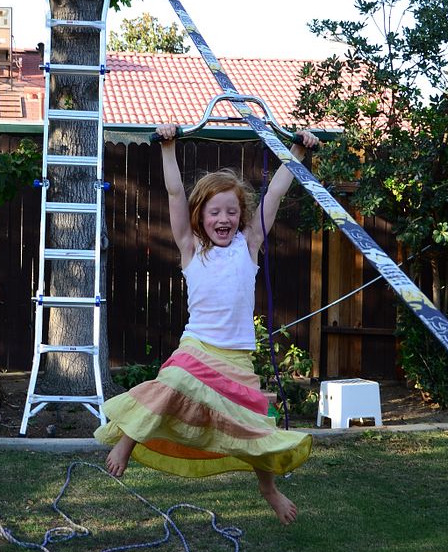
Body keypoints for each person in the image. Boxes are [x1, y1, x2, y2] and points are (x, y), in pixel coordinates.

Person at [94, 123, 319, 524]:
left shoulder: (249, 245)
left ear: (241, 216)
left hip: (236, 357)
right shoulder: (191, 248)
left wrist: (297, 154)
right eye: (215, 212)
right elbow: (175, 194)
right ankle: (127, 442)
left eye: (232, 211)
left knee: (254, 425)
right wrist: (168, 148)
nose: (224, 218)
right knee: (171, 383)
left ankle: (268, 488)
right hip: (197, 346)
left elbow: (274, 195)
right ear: (201, 215)